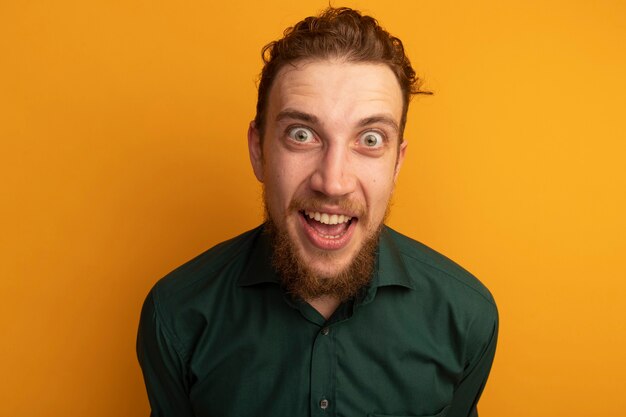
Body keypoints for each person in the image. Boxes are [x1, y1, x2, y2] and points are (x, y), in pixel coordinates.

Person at [137, 6, 498, 417]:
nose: (333, 182)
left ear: (396, 163)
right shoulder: (176, 315)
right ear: (259, 151)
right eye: (302, 134)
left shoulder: (467, 318)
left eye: (370, 138)